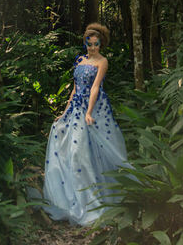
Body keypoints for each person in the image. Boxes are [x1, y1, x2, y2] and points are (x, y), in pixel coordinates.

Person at [39, 22, 129, 225]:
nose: (92, 48)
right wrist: (63, 112)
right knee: (66, 147)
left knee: (83, 153)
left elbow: (95, 87)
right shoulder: (79, 60)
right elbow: (74, 88)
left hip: (93, 108)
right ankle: (69, 198)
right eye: (89, 44)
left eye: (96, 44)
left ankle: (90, 201)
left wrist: (89, 112)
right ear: (85, 44)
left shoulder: (102, 62)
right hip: (75, 108)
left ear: (101, 44)